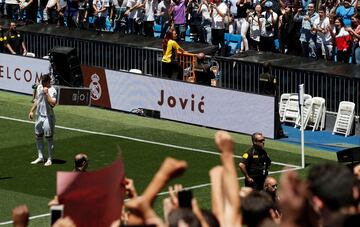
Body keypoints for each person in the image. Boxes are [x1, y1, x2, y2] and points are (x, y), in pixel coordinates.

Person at [28, 73, 57, 166]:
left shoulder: (53, 90)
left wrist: (46, 93)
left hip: (48, 117)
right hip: (39, 116)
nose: (42, 84)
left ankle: (50, 158)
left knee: (49, 138)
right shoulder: (39, 87)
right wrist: (31, 111)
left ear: (48, 82)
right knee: (38, 136)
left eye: (44, 82)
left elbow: (53, 103)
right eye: (42, 82)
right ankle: (40, 157)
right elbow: (37, 100)